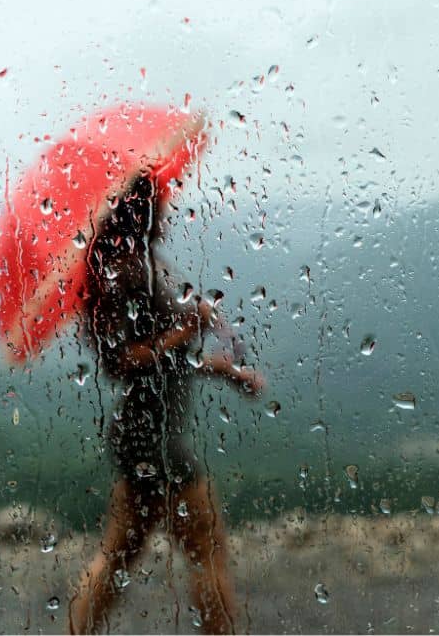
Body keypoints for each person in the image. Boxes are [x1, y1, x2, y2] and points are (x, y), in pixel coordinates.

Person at [68, 173, 264, 634]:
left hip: (145, 435)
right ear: (142, 214)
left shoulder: (145, 266)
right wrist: (187, 327)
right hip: (149, 437)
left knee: (119, 555)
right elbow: (122, 361)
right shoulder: (123, 275)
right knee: (205, 546)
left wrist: (231, 374)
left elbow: (173, 362)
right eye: (160, 205)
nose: (168, 212)